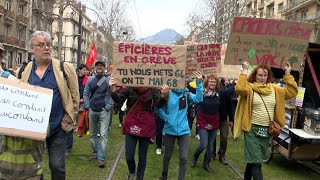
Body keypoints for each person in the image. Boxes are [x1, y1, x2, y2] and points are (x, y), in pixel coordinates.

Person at [7, 31, 79, 179]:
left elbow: (75, 97)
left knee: (57, 166)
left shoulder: (64, 68)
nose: (46, 48)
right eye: (41, 45)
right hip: (32, 130)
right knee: (33, 167)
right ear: (31, 48)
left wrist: (69, 117)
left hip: (57, 128)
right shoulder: (22, 71)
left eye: (48, 45)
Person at [234, 61, 298, 180]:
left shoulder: (275, 89)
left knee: (253, 160)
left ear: (268, 76)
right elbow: (239, 89)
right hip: (251, 129)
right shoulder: (249, 88)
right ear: (255, 75)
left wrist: (288, 74)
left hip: (267, 131)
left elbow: (292, 92)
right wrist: (244, 70)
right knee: (257, 163)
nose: (262, 78)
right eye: (259, 75)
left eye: (264, 75)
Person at [109, 78, 162, 180]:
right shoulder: (130, 87)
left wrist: (164, 95)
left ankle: (139, 177)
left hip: (146, 124)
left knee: (142, 156)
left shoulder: (153, 89)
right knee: (129, 155)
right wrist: (112, 90)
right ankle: (132, 170)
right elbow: (119, 99)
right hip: (132, 122)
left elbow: (158, 104)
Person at [159, 71, 203, 180]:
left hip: (184, 130)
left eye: (185, 79)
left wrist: (199, 82)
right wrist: (167, 119)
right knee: (167, 155)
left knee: (183, 157)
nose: (183, 81)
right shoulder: (168, 93)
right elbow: (159, 109)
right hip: (169, 129)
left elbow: (199, 99)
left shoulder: (187, 93)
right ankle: (164, 175)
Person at [191, 75, 235, 173]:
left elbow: (230, 91)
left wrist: (236, 81)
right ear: (207, 82)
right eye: (211, 81)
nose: (212, 83)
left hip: (214, 122)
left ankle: (206, 164)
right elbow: (191, 91)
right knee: (203, 144)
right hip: (203, 121)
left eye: (214, 82)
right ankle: (195, 157)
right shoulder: (201, 93)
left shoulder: (219, 94)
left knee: (210, 147)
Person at [83, 60, 114, 168]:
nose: (99, 67)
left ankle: (101, 158)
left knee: (103, 135)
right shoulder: (90, 80)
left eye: (101, 66)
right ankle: (95, 152)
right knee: (92, 135)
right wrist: (87, 106)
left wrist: (107, 107)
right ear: (95, 68)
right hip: (92, 110)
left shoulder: (109, 80)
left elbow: (113, 94)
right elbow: (86, 93)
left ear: (104, 68)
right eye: (98, 66)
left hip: (104, 111)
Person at [65, 64, 89, 155]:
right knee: (72, 118)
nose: (84, 71)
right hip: (72, 101)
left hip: (82, 100)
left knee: (80, 116)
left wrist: (83, 98)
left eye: (85, 70)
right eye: (83, 69)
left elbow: (86, 90)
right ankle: (75, 126)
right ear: (79, 70)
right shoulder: (74, 78)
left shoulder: (87, 79)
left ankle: (79, 128)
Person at [212, 77, 235, 165]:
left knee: (224, 137)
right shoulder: (212, 93)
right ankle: (212, 153)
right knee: (212, 137)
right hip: (214, 118)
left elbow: (230, 107)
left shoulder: (225, 95)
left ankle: (221, 155)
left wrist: (231, 119)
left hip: (224, 119)